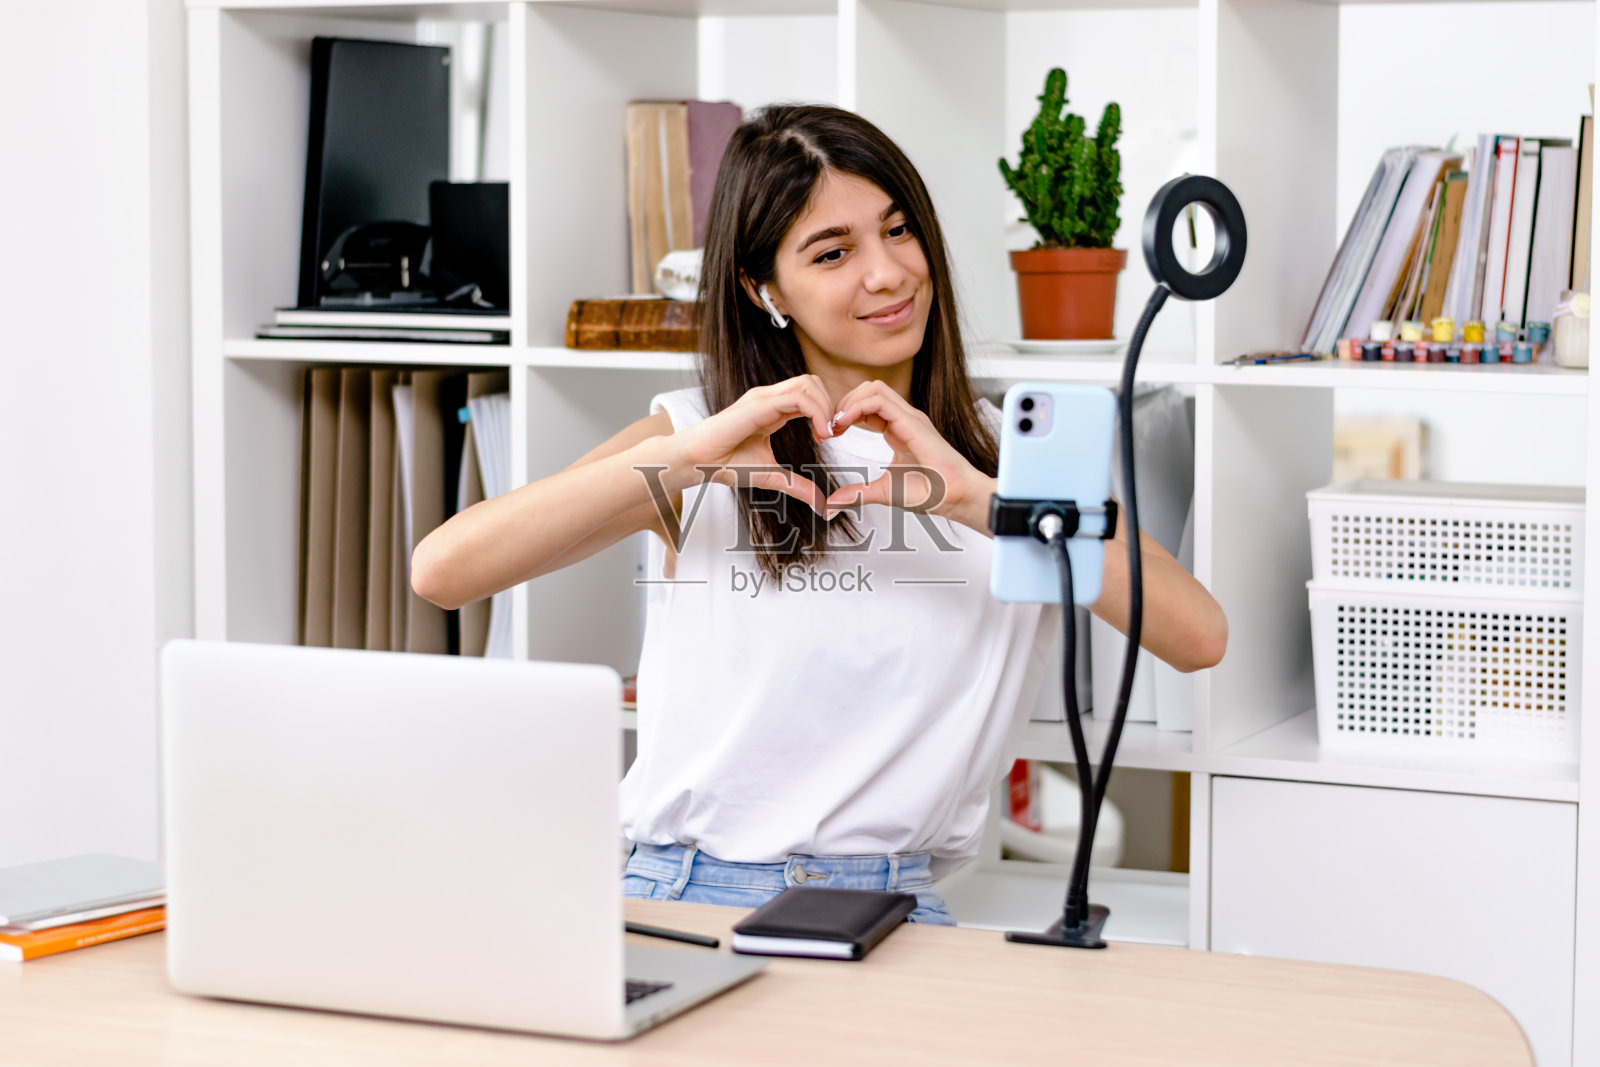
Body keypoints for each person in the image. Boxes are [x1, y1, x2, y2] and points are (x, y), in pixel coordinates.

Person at [411, 105, 1227, 925]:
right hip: (689, 894)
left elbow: (1198, 636)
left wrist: (975, 496)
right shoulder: (695, 441)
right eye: (833, 253)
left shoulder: (1009, 469)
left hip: (894, 906)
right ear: (764, 290)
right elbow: (446, 570)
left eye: (899, 230)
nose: (887, 274)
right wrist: (689, 457)